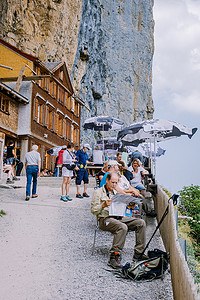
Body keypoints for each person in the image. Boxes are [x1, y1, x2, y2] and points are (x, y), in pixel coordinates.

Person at [91, 172, 147, 269]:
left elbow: (126, 205)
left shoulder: (116, 192)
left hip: (118, 217)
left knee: (140, 223)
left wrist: (131, 203)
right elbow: (93, 210)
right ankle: (114, 256)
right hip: (105, 219)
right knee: (122, 227)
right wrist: (103, 205)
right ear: (107, 181)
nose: (114, 185)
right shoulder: (98, 192)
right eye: (112, 182)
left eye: (116, 183)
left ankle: (139, 253)